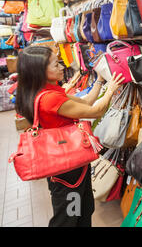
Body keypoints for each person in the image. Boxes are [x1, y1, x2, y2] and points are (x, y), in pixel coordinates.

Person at [15, 45, 125, 227]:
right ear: (39, 72)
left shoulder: (46, 91)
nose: (61, 67)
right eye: (54, 65)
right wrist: (111, 89)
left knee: (83, 209)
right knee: (68, 217)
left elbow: (87, 101)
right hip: (67, 170)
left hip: (71, 164)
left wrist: (99, 81)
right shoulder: (50, 99)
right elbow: (94, 111)